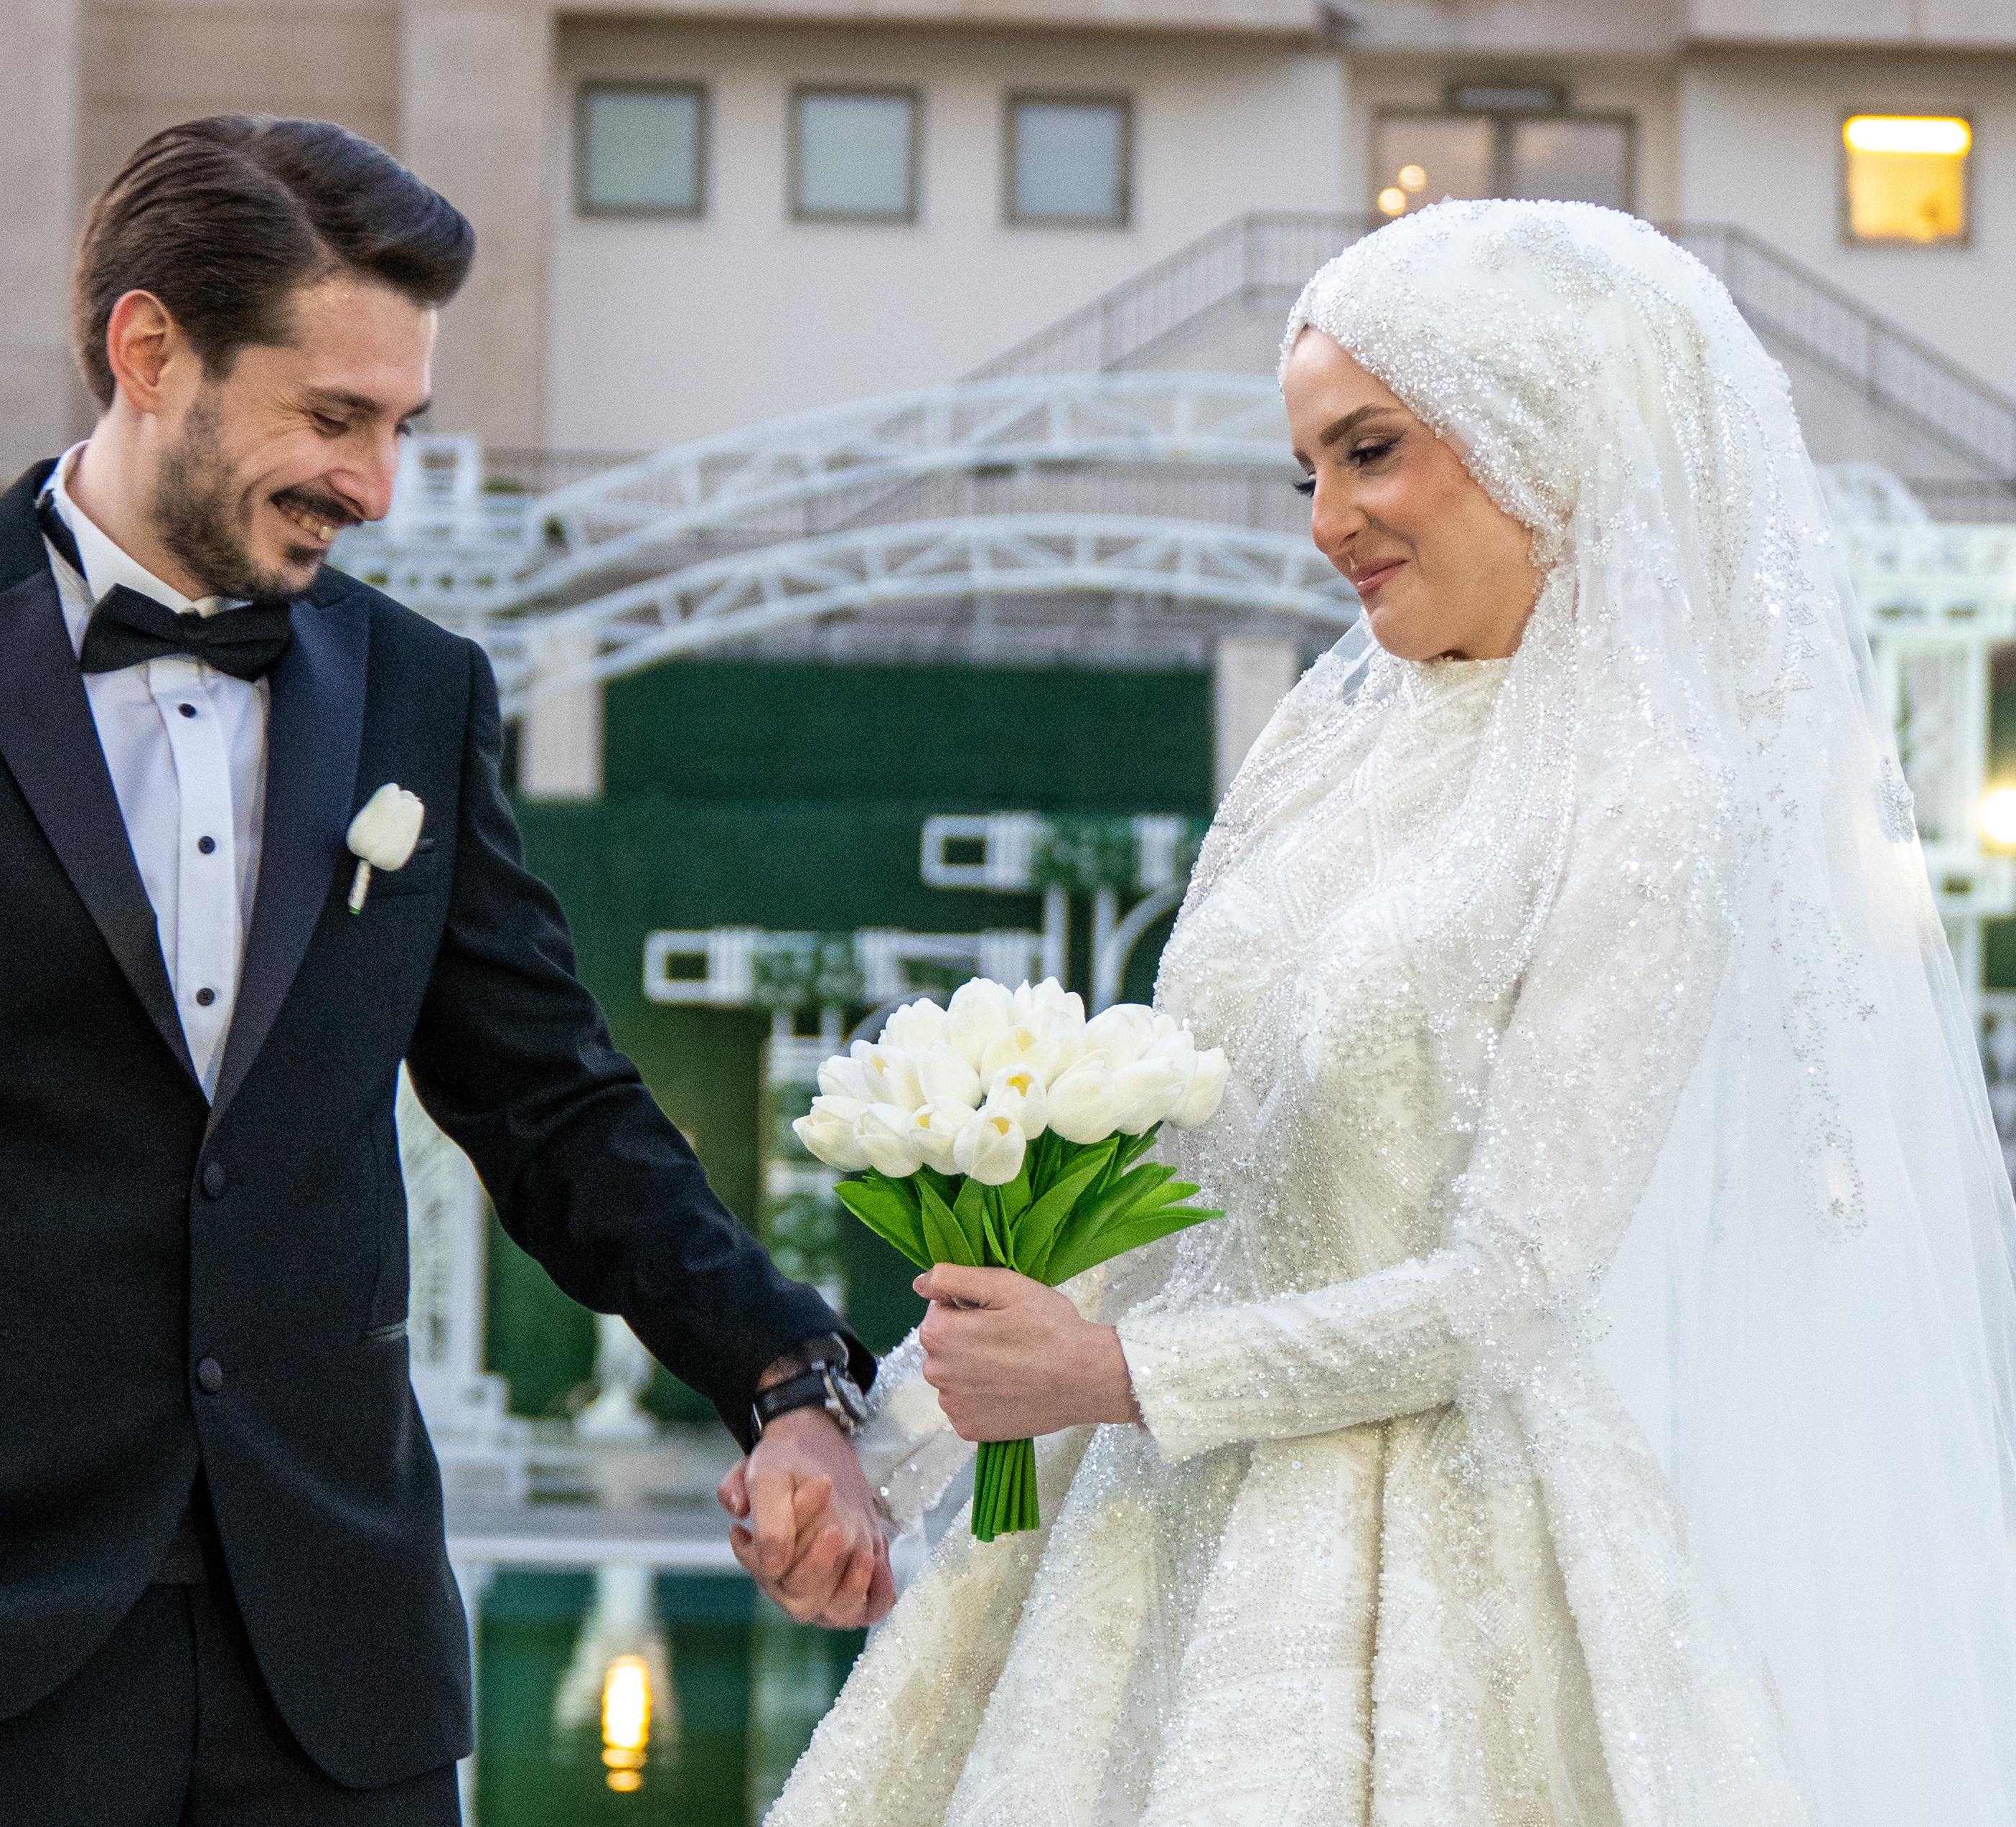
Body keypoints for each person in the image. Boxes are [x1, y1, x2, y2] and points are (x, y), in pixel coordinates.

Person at [0, 115, 889, 1824]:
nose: (374, 486)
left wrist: (783, 1375)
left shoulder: (419, 690)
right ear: (149, 350)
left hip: (338, 1660)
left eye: (399, 426)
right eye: (332, 417)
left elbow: (550, 1102)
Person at [766, 200, 2016, 1826]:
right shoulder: (1320, 743)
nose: (1327, 521)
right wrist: (880, 1450)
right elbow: (1177, 1184)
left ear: (1539, 438)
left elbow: (1511, 1291)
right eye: (1308, 470)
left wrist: (1119, 1374)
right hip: (1130, 1536)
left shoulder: (1652, 796)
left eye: (1370, 452)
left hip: (1441, 1570)